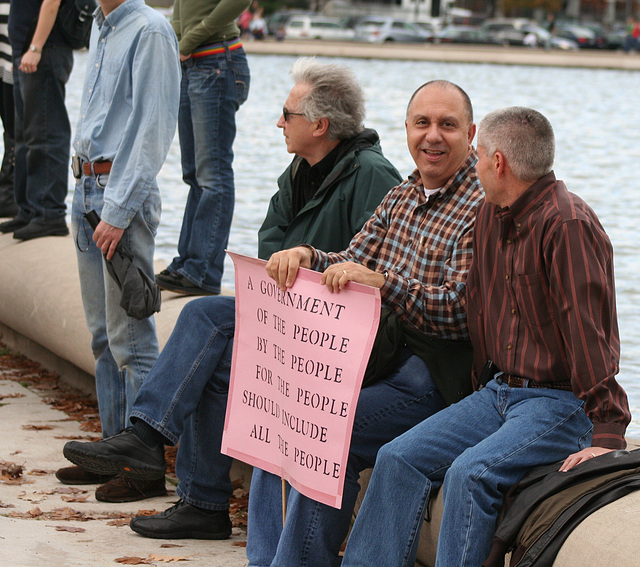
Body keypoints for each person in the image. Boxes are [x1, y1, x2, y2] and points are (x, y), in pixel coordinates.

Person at [61, 58, 401, 536]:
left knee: (207, 317)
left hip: (338, 337)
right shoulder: (298, 171)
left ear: (321, 125)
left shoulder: (372, 175)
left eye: (288, 114)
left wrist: (307, 269)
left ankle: (149, 439)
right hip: (291, 315)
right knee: (215, 359)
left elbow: (380, 268)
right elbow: (270, 247)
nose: (278, 122)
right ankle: (200, 502)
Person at [340, 106, 631, 567]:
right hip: (496, 393)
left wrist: (609, 433)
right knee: (396, 458)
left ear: (498, 163)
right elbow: (474, 312)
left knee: (469, 475)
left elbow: (589, 331)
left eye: (476, 158)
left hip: (559, 404)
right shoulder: (490, 216)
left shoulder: (568, 225)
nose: (473, 168)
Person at [245, 80, 485, 567]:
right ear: (406, 130)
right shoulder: (402, 196)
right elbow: (351, 259)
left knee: (324, 425)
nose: (432, 136)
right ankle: (266, 560)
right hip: (382, 358)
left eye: (447, 124)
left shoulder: (482, 204)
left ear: (472, 133)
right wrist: (307, 255)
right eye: (422, 123)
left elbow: (462, 310)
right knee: (277, 411)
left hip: (438, 371)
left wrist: (383, 283)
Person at [55, 0, 181, 502]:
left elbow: (153, 130)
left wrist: (118, 209)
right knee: (103, 338)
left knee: (133, 338)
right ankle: (111, 449)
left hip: (116, 197)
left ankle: (143, 464)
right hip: (86, 190)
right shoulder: (102, 26)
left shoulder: (150, 30)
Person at [154, 0, 251, 296]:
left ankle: (203, 271)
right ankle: (187, 263)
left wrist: (190, 40)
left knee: (213, 174)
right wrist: (174, 43)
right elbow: (184, 13)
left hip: (216, 63)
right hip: (193, 64)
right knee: (194, 174)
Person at [1, 0, 72, 239]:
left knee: (46, 134)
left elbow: (52, 1)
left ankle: (49, 214)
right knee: (25, 136)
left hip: (44, 50)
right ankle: (29, 209)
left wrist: (36, 47)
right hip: (24, 52)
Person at [0, 0, 17, 218]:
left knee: (15, 130)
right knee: (11, 130)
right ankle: (6, 192)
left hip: (14, 56)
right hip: (6, 56)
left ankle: (8, 193)